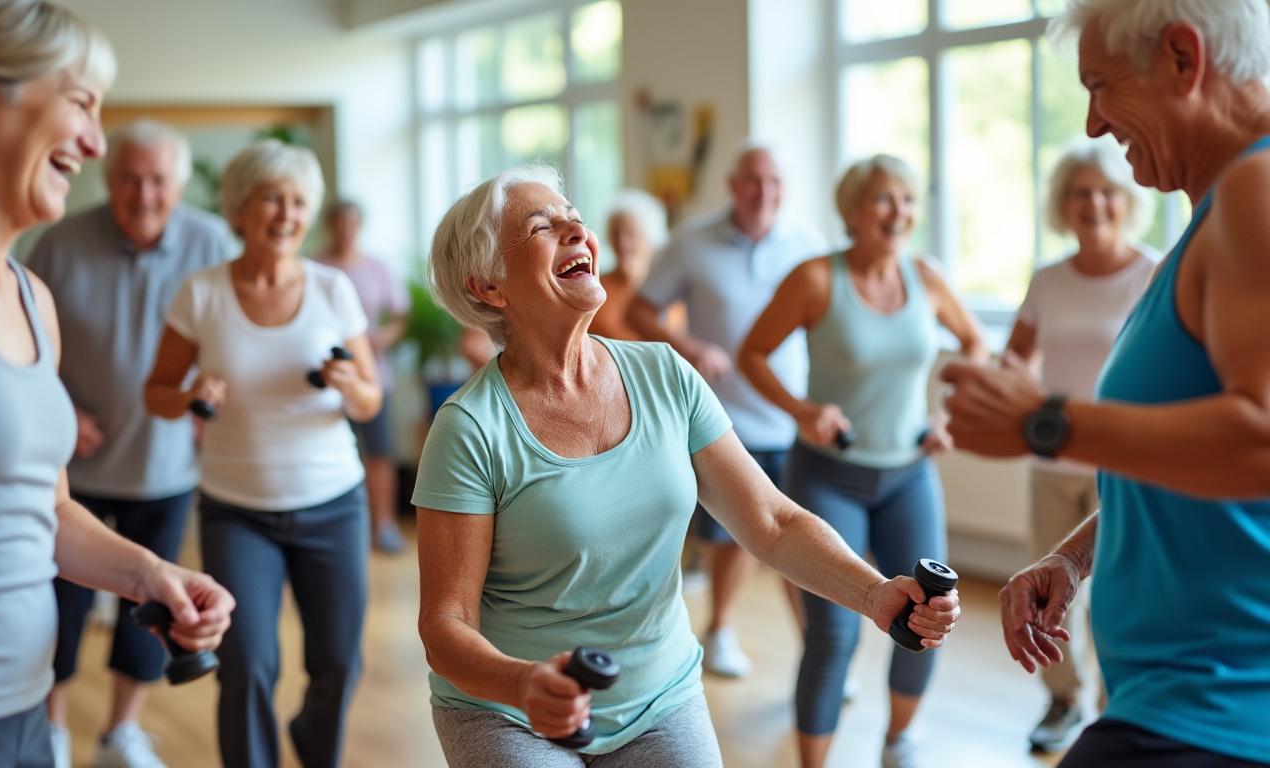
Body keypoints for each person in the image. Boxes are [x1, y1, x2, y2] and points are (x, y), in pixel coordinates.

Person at [413, 165, 960, 768]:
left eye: (575, 218)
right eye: (545, 226)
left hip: (659, 695)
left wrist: (875, 593)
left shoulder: (665, 375)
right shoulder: (470, 428)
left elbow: (771, 523)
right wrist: (520, 684)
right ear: (490, 286)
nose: (577, 231)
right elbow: (447, 624)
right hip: (509, 712)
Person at [943, 1, 1270, 765]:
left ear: (1184, 60)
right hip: (1178, 701)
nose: (1092, 124)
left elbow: (1260, 443)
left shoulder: (1256, 190)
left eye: (1102, 85)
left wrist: (1045, 424)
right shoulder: (1211, 218)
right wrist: (1075, 557)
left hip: (1222, 709)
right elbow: (1205, 455)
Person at [0, 2, 233, 767]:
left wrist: (150, 575)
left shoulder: (32, 298)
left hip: (20, 710)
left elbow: (47, 507)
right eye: (81, 103)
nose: (95, 143)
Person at [739, 154, 983, 768]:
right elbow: (754, 354)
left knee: (928, 617)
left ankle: (899, 741)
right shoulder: (817, 278)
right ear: (851, 211)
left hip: (909, 474)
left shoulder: (925, 279)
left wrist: (947, 416)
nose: (897, 211)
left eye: (905, 199)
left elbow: (976, 342)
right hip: (828, 477)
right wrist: (801, 410)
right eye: (882, 199)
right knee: (834, 632)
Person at [144, 140, 382, 768]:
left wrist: (349, 385)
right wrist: (191, 392)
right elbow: (156, 394)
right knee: (247, 663)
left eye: (299, 201)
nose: (286, 213)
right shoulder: (201, 293)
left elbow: (370, 400)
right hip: (237, 511)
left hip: (334, 505)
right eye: (271, 198)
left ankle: (312, 744)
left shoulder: (334, 290)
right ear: (239, 210)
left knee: (338, 661)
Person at [28, 117, 234, 768]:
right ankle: (54, 733)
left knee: (153, 605)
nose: (142, 194)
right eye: (128, 179)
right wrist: (61, 407)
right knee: (59, 608)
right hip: (74, 465)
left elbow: (234, 341)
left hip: (165, 465)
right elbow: (26, 347)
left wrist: (215, 397)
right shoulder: (59, 242)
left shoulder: (213, 243)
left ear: (177, 184)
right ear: (107, 178)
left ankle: (121, 733)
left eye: (157, 181)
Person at [626, 143, 819, 678]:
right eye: (753, 181)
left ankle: (817, 653)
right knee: (738, 538)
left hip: (793, 415)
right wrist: (689, 347)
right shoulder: (692, 242)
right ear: (734, 185)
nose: (764, 192)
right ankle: (721, 630)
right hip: (723, 419)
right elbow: (641, 311)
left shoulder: (806, 245)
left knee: (802, 534)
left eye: (774, 182)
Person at [1003, 139, 1157, 754]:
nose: (1092, 203)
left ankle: (1121, 710)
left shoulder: (1153, 272)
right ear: (1062, 205)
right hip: (1050, 461)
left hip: (1119, 463)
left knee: (1114, 593)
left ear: (1125, 201)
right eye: (1079, 192)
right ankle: (1065, 700)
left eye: (1105, 191)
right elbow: (1014, 361)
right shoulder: (1048, 279)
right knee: (1049, 588)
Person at [314, 198, 411, 554]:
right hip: (325, 377)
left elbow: (400, 315)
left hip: (373, 375)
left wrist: (383, 338)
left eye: (351, 224)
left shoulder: (377, 268)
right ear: (330, 226)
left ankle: (382, 524)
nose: (345, 231)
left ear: (359, 226)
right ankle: (341, 526)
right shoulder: (314, 265)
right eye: (338, 223)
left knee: (379, 452)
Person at [588, 189, 668, 340]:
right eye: (616, 233)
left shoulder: (666, 289)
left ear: (651, 238)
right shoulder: (594, 286)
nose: (622, 243)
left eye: (631, 234)